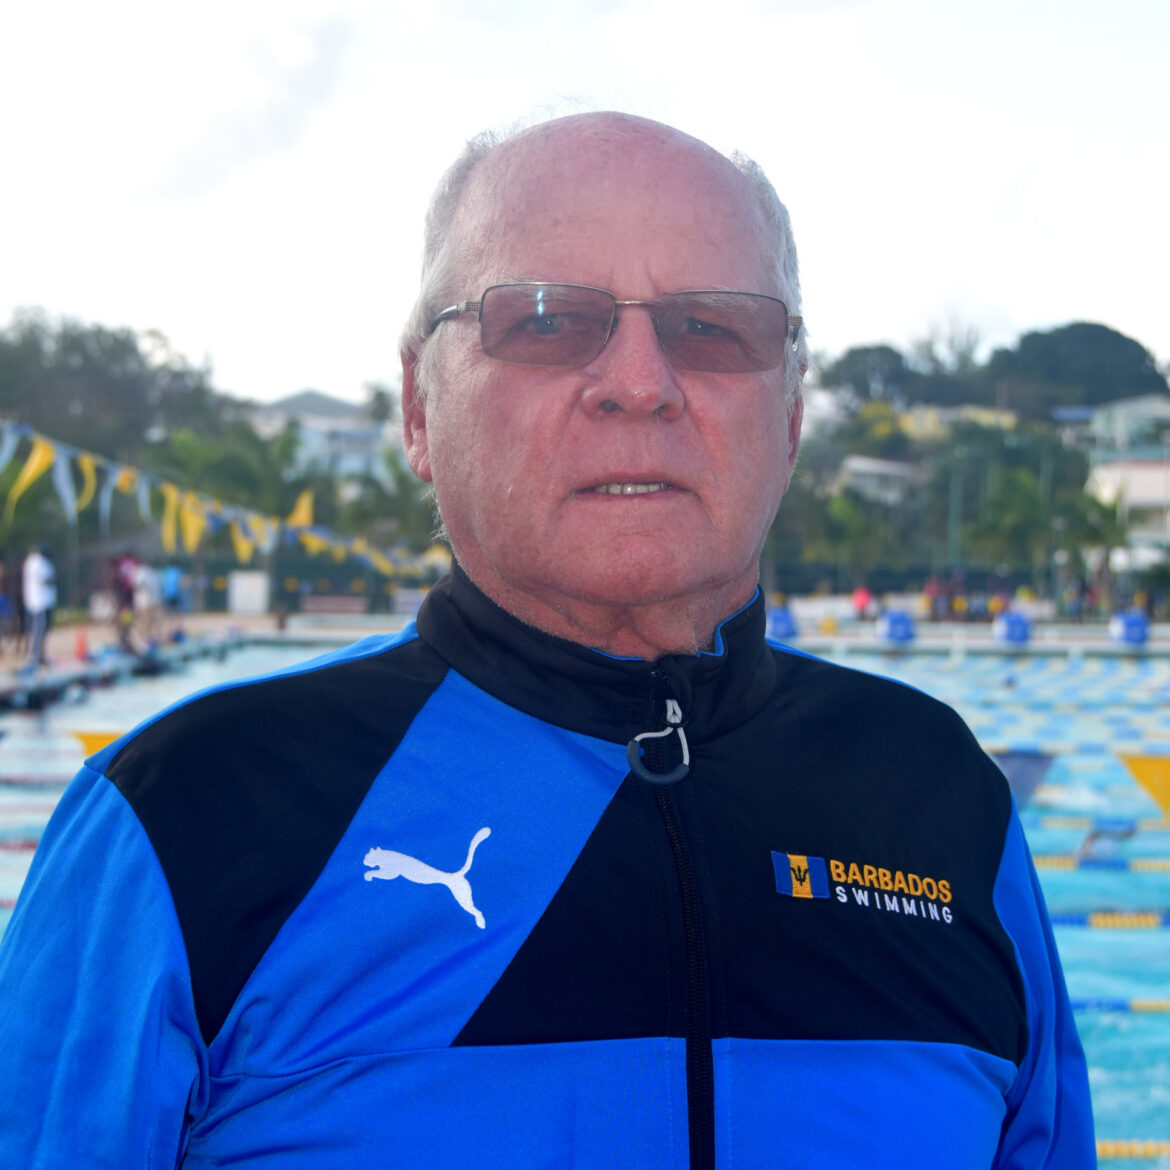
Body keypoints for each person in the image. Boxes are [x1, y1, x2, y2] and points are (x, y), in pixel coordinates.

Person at [0, 113, 1093, 1167]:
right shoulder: (185, 815)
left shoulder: (939, 796)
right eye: (544, 321)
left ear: (794, 409)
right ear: (419, 408)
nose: (639, 385)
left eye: (712, 327)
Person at [19, 542, 56, 673]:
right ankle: (35, 657)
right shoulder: (37, 563)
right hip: (40, 602)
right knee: (38, 630)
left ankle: (40, 656)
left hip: (38, 602)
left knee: (41, 630)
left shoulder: (32, 562)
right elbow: (45, 580)